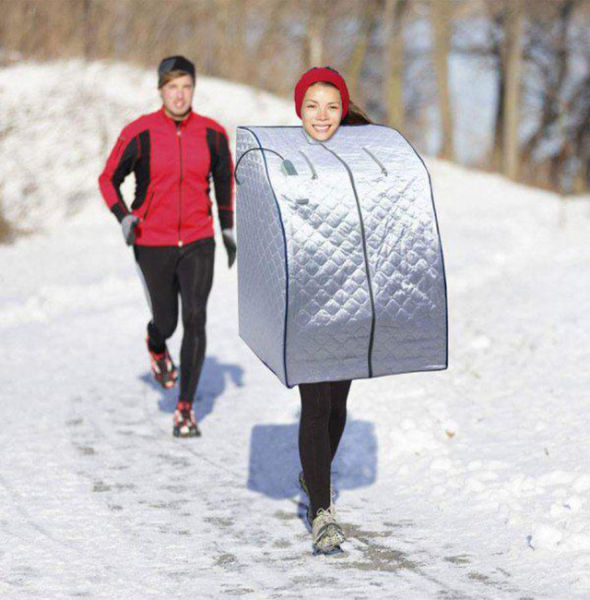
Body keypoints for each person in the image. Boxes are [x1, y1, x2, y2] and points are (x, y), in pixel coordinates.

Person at [98, 55, 236, 438]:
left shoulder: (212, 134)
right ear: (161, 90)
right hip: (152, 241)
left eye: (186, 87)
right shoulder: (140, 133)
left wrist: (227, 229)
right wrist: (124, 217)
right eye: (172, 87)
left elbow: (224, 182)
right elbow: (108, 179)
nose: (180, 95)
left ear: (194, 89)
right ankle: (157, 344)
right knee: (168, 322)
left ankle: (185, 408)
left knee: (195, 317)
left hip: (198, 240)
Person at [291, 67, 372, 554]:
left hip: (350, 295)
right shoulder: (285, 160)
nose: (322, 116)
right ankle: (322, 512)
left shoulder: (363, 159)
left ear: (343, 110)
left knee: (337, 405)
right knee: (315, 404)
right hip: (304, 297)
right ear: (299, 110)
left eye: (331, 106)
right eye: (312, 106)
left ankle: (313, 472)